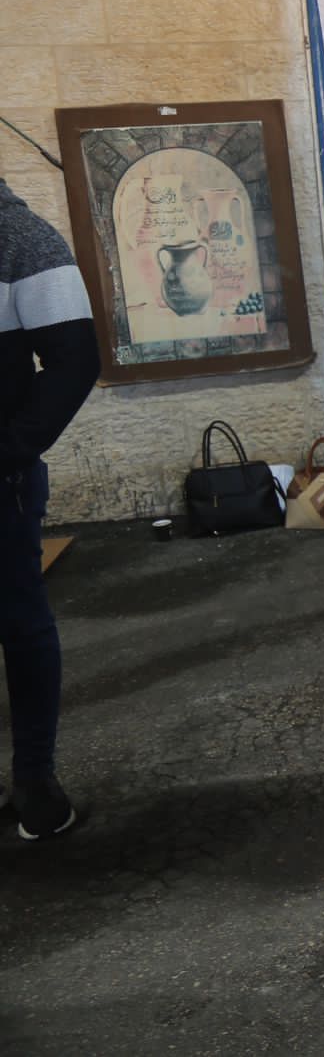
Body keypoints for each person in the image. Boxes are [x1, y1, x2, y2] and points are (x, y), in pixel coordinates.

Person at [1, 178, 100, 841]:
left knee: (20, 623)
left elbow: (74, 360)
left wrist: (10, 447)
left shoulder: (19, 237)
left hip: (1, 483)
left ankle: (35, 786)